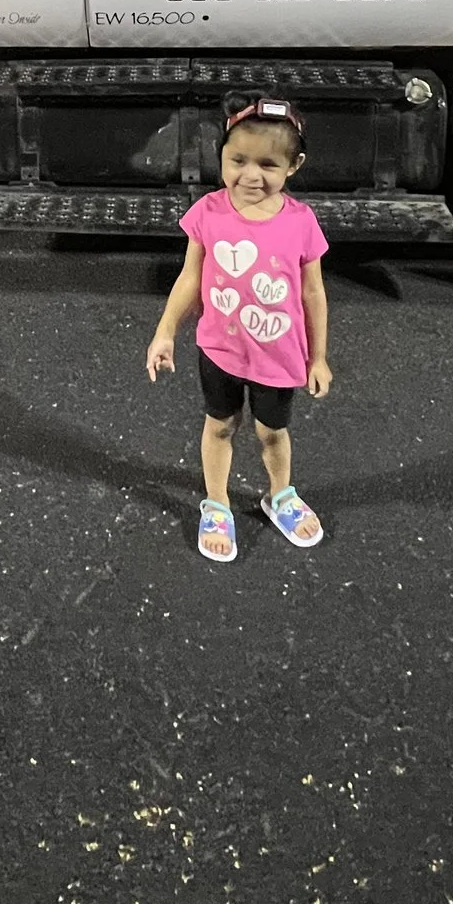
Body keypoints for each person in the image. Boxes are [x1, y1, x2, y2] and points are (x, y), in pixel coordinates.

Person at [144, 99, 333, 562]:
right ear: (221, 156)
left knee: (273, 433)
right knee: (220, 426)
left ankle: (280, 495)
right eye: (238, 161)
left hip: (279, 356)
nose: (251, 175)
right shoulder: (208, 213)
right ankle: (217, 503)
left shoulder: (301, 222)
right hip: (219, 350)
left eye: (268, 164)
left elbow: (313, 294)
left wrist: (318, 357)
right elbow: (190, 277)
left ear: (294, 166)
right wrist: (165, 331)